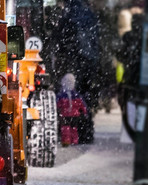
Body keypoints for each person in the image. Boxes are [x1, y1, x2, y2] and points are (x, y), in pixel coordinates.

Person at [52, 0, 99, 143]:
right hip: (89, 61)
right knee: (84, 100)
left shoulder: (68, 14)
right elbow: (95, 39)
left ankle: (69, 131)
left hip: (74, 59)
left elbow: (62, 37)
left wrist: (61, 52)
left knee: (69, 97)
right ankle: (85, 132)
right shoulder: (89, 14)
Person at [56, 73, 88, 146]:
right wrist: (85, 112)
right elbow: (82, 105)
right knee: (71, 128)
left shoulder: (62, 95)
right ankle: (72, 141)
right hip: (73, 115)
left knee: (67, 129)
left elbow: (57, 104)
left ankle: (68, 142)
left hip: (66, 115)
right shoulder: (76, 95)